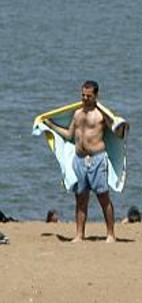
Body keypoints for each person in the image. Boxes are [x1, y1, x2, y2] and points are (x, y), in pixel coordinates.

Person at [43, 80, 122, 242]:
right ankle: (79, 235)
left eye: (88, 96)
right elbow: (69, 134)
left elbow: (118, 132)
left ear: (96, 96)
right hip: (79, 159)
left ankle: (111, 234)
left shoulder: (101, 115)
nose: (85, 98)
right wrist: (50, 125)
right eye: (83, 95)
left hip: (97, 159)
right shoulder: (78, 113)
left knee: (103, 197)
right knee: (80, 198)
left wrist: (122, 124)